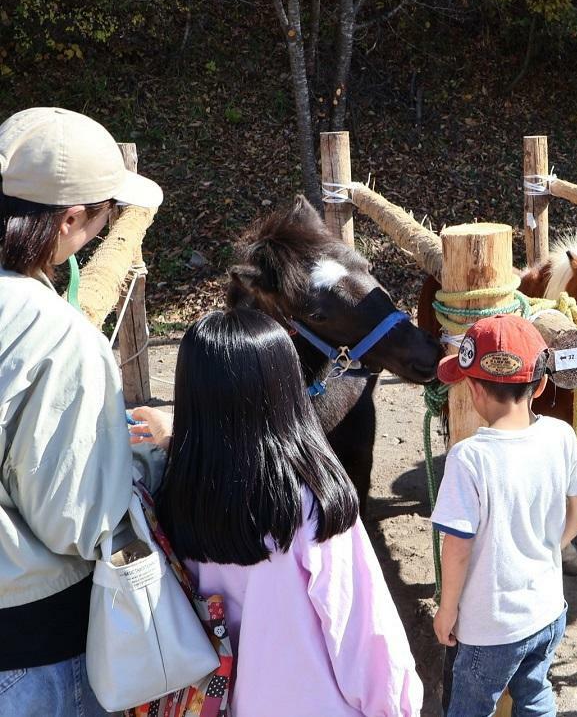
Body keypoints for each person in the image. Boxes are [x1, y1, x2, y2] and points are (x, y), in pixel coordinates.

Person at [140, 308, 422, 716]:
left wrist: (170, 435)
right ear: (284, 389)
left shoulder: (175, 494)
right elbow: (365, 635)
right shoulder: (311, 503)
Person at [0, 107, 162, 717]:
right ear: (71, 219)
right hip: (27, 647)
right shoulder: (56, 336)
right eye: (105, 216)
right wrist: (140, 466)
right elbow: (75, 520)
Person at [430, 314, 577, 717]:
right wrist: (552, 547)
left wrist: (447, 609)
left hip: (491, 627)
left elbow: (457, 548)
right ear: (540, 385)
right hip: (548, 611)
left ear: (471, 389)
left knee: (470, 707)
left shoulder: (469, 458)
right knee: (536, 696)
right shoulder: (561, 435)